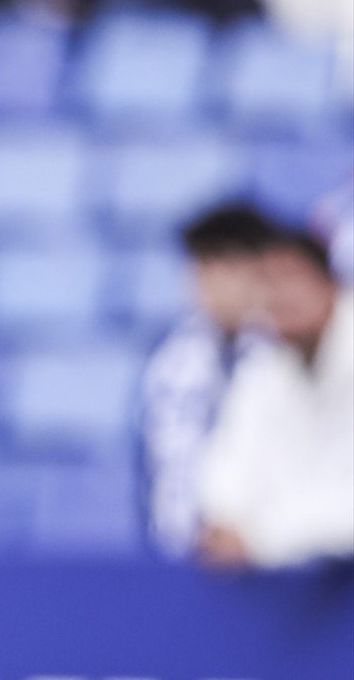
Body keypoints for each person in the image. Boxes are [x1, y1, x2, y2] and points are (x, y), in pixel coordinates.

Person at [197, 231, 354, 568]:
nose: (280, 296)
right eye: (267, 283)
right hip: (292, 590)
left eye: (291, 279)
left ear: (330, 285)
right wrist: (225, 524)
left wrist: (262, 539)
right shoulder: (262, 371)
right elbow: (227, 479)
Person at [139, 204, 277, 560]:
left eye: (225, 267)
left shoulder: (288, 354)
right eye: (200, 268)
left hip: (281, 558)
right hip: (191, 559)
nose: (209, 284)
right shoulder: (173, 363)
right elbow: (170, 467)